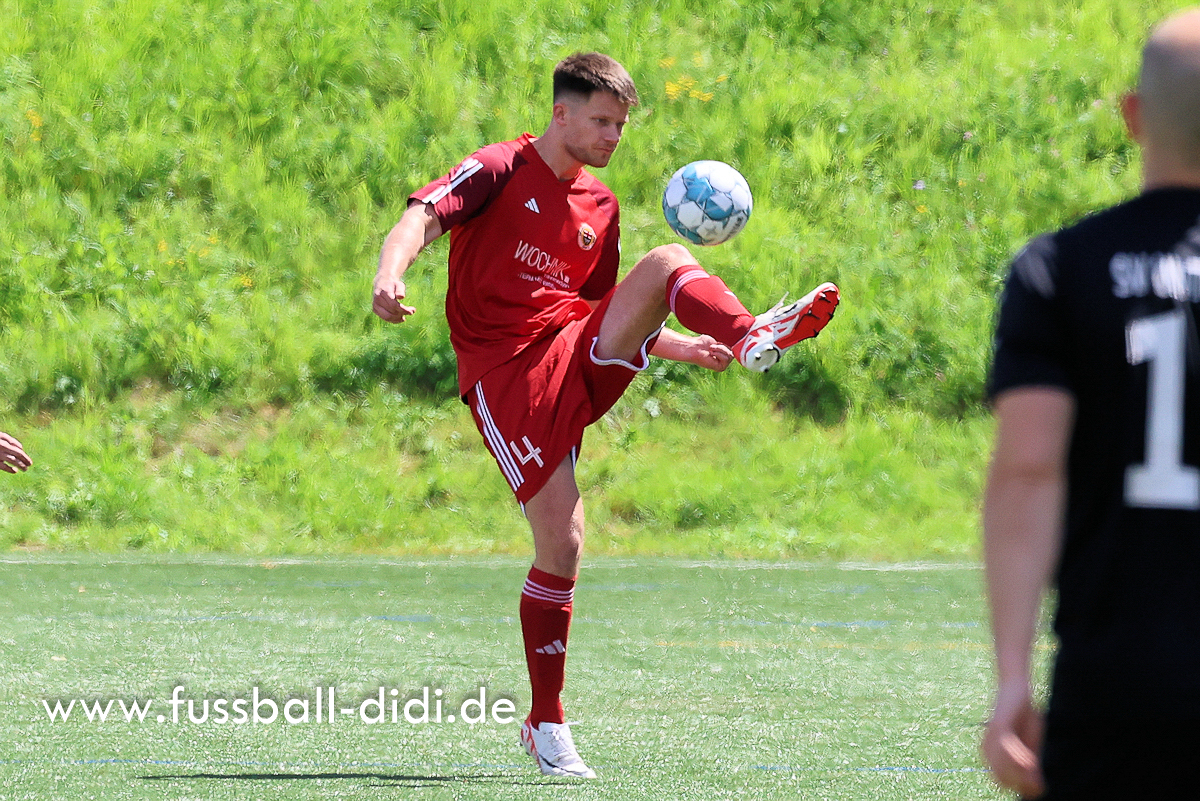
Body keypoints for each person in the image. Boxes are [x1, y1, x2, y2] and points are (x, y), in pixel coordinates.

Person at [373, 52, 839, 778]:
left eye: (620, 125)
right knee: (563, 545)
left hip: (573, 351)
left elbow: (604, 313)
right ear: (560, 113)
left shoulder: (602, 206)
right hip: (507, 372)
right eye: (601, 121)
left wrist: (690, 347)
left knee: (665, 261)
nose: (613, 136)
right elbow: (421, 216)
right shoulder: (499, 167)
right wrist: (389, 272)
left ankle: (751, 332)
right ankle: (545, 721)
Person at [981, 8, 1200, 798]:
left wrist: (1014, 673)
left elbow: (1029, 470)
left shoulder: (1060, 266)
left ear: (1133, 115)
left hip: (1114, 684)